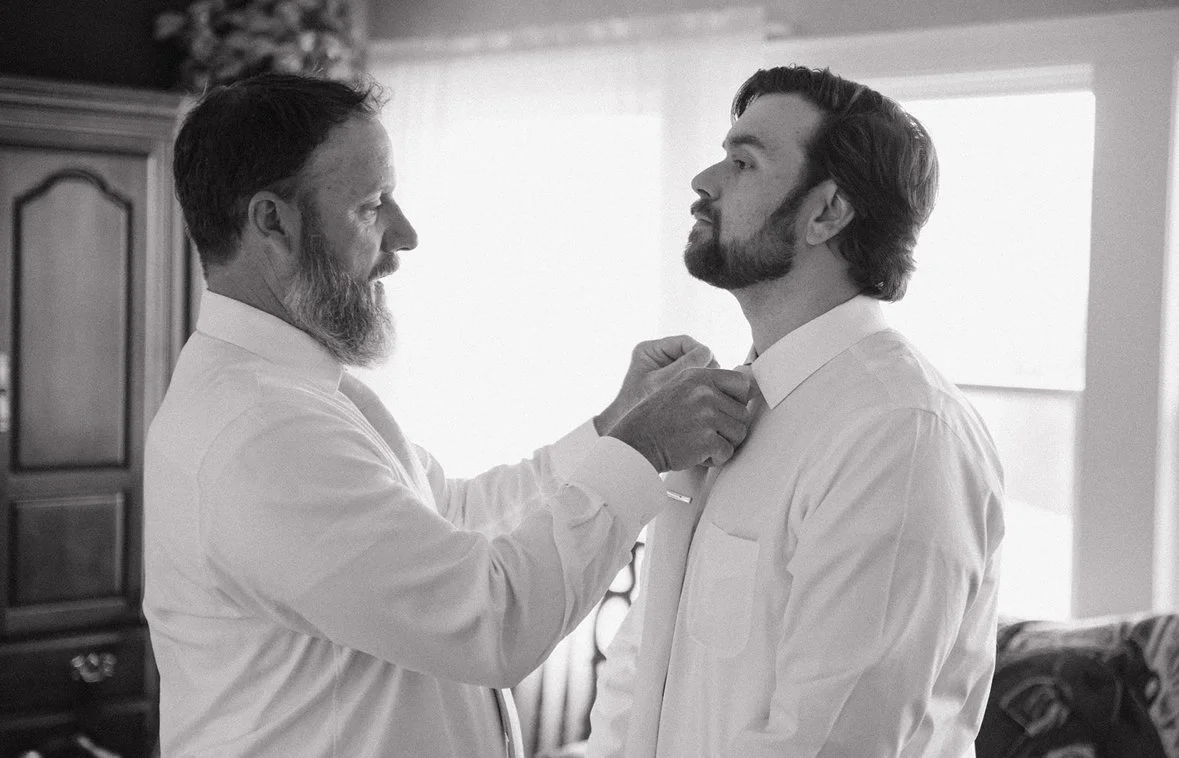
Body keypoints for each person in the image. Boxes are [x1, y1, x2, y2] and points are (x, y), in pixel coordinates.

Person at [143, 73, 756, 757]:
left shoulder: (303, 392)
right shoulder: (260, 433)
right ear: (272, 221)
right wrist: (642, 452)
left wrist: (616, 425)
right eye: (372, 207)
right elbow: (489, 621)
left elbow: (454, 518)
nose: (404, 236)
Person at [586, 65, 1006, 757]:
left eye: (742, 162)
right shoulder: (710, 408)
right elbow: (641, 674)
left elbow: (829, 740)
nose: (704, 181)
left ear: (824, 213)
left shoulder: (898, 431)